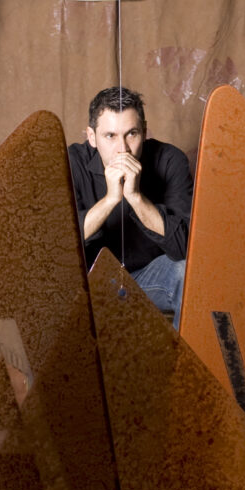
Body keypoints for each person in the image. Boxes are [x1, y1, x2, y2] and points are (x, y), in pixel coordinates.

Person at [68, 87, 192, 329]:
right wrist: (110, 199)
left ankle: (184, 356)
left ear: (144, 131)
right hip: (90, 284)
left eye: (131, 134)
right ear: (92, 137)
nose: (123, 149)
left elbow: (184, 248)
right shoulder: (73, 162)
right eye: (110, 136)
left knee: (188, 272)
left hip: (148, 277)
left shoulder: (170, 160)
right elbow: (59, 245)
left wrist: (135, 197)